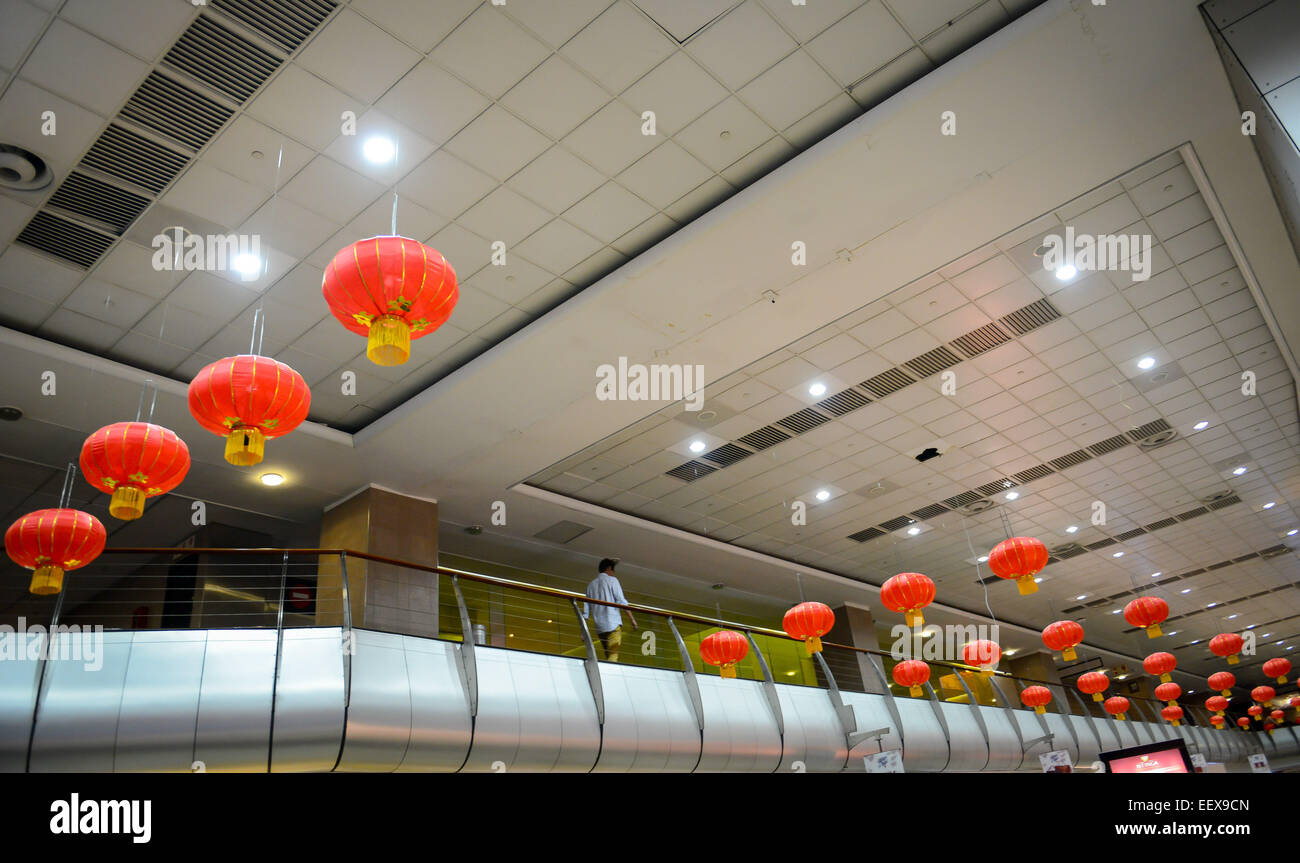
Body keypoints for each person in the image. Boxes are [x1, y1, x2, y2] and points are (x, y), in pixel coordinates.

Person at [583, 558, 636, 662]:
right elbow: (621, 601)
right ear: (608, 569)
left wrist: (583, 632)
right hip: (613, 625)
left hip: (600, 628)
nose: (613, 573)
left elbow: (586, 611)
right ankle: (610, 671)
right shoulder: (613, 580)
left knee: (608, 655)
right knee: (613, 655)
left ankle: (607, 670)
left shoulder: (591, 585)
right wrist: (632, 620)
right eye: (613, 570)